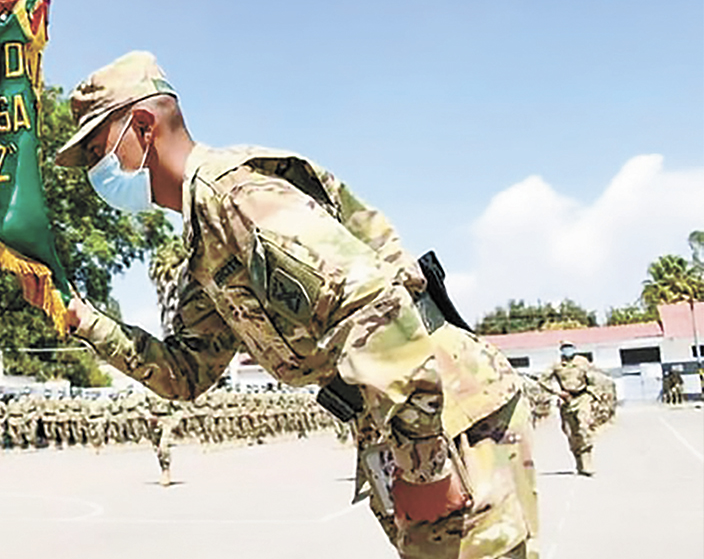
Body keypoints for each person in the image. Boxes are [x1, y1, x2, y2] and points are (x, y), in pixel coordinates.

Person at [44, 51, 538, 559]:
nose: (98, 173)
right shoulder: (206, 241)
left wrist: (424, 464)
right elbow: (186, 372)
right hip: (404, 417)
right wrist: (86, 320)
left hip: (444, 410)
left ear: (143, 127)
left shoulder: (234, 197)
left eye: (100, 152)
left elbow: (371, 303)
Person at [538, 342, 599, 477]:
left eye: (570, 347)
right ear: (561, 350)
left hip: (582, 397)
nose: (568, 350)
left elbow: (595, 378)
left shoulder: (582, 362)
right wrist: (558, 392)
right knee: (571, 432)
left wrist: (593, 394)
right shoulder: (557, 365)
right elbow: (543, 380)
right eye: (565, 348)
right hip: (566, 399)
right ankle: (579, 462)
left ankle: (587, 462)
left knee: (584, 427)